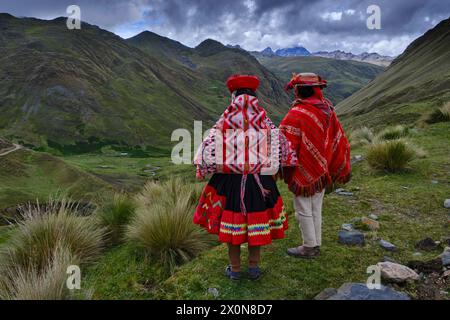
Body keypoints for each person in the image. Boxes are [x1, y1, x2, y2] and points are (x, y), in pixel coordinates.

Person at [193, 74, 297, 280]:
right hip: (260, 182)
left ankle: (235, 269)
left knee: (233, 228)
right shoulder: (263, 119)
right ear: (254, 95)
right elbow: (283, 147)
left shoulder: (226, 119)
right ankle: (254, 268)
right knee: (256, 225)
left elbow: (205, 150)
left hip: (230, 183)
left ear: (234, 95)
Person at [279, 73, 351, 259]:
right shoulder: (328, 110)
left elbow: (284, 142)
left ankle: (309, 246)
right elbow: (337, 138)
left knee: (303, 207)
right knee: (316, 207)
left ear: (298, 91)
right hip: (323, 168)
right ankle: (315, 243)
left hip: (304, 169)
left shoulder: (297, 113)